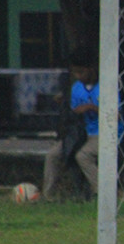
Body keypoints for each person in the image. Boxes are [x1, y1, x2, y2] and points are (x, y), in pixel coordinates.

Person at [43, 46, 119, 200]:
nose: (78, 76)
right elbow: (73, 112)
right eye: (75, 72)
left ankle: (104, 193)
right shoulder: (77, 88)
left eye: (81, 72)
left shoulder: (106, 87)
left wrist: (92, 108)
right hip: (82, 133)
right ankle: (48, 196)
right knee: (53, 155)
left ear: (91, 69)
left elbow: (116, 116)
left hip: (102, 133)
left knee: (83, 155)